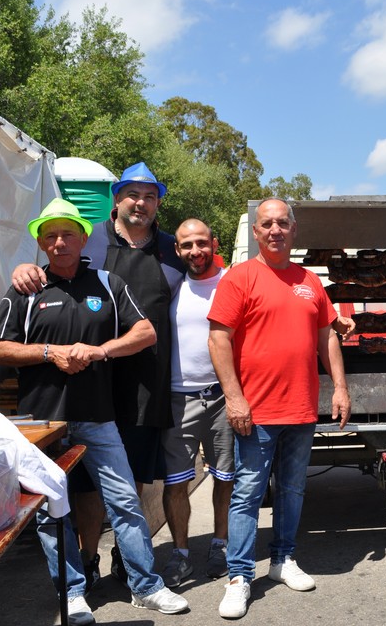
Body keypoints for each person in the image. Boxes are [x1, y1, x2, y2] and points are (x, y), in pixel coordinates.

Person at [0, 198, 188, 625]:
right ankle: (72, 593)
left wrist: (99, 350)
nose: (60, 242)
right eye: (51, 236)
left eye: (68, 235)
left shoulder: (108, 283)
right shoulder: (27, 289)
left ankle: (146, 587)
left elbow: (146, 331)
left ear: (83, 239)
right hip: (42, 426)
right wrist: (49, 352)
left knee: (125, 503)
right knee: (51, 513)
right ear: (41, 243)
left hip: (98, 417)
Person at [207, 197, 351, 620]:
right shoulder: (239, 277)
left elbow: (327, 337)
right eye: (266, 224)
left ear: (293, 229)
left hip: (302, 408)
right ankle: (238, 577)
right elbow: (218, 340)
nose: (275, 230)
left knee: (292, 490)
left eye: (282, 223)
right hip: (256, 411)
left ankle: (282, 560)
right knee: (249, 493)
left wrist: (339, 388)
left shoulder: (310, 280)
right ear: (256, 232)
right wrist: (235, 398)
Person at [160, 218, 235, 587]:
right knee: (176, 484)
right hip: (177, 400)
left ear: (214, 243)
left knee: (225, 478)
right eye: (187, 245)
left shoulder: (232, 283)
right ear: (177, 250)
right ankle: (180, 554)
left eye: (201, 243)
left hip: (223, 397)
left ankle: (220, 544)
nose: (195, 251)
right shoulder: (171, 286)